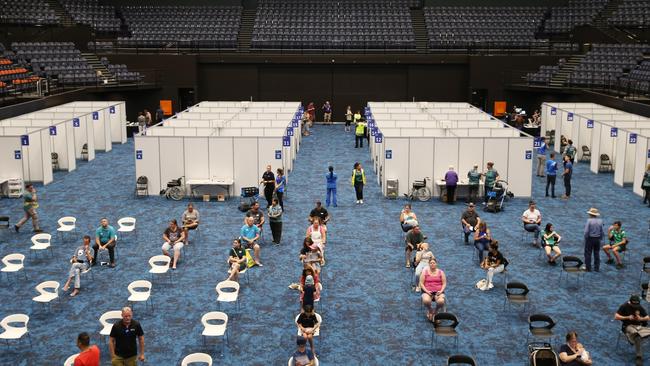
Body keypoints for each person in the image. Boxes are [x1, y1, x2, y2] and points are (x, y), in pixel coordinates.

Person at [615, 294, 650, 365]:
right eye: (633, 306)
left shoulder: (639, 307)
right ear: (630, 302)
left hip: (639, 326)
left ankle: (633, 337)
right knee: (637, 336)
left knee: (638, 334)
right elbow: (616, 316)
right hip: (628, 326)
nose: (635, 307)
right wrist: (627, 317)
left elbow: (648, 318)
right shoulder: (624, 306)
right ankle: (639, 357)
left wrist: (641, 318)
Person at [583, 207, 604, 272]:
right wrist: (600, 238)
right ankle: (596, 268)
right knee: (597, 253)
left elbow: (586, 231)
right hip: (598, 239)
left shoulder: (589, 220)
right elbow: (602, 231)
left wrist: (586, 238)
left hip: (590, 239)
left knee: (588, 253)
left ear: (590, 214)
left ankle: (588, 268)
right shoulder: (600, 221)